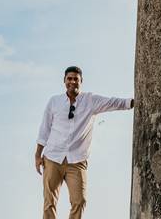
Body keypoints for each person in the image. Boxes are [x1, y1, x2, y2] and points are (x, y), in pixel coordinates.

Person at [34, 66, 134, 219]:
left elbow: (113, 102)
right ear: (64, 81)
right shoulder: (54, 102)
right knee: (49, 202)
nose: (72, 81)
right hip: (53, 158)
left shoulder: (90, 100)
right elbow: (44, 130)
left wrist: (132, 102)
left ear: (81, 81)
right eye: (69, 78)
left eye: (76, 79)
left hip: (77, 160)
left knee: (79, 201)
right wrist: (37, 155)